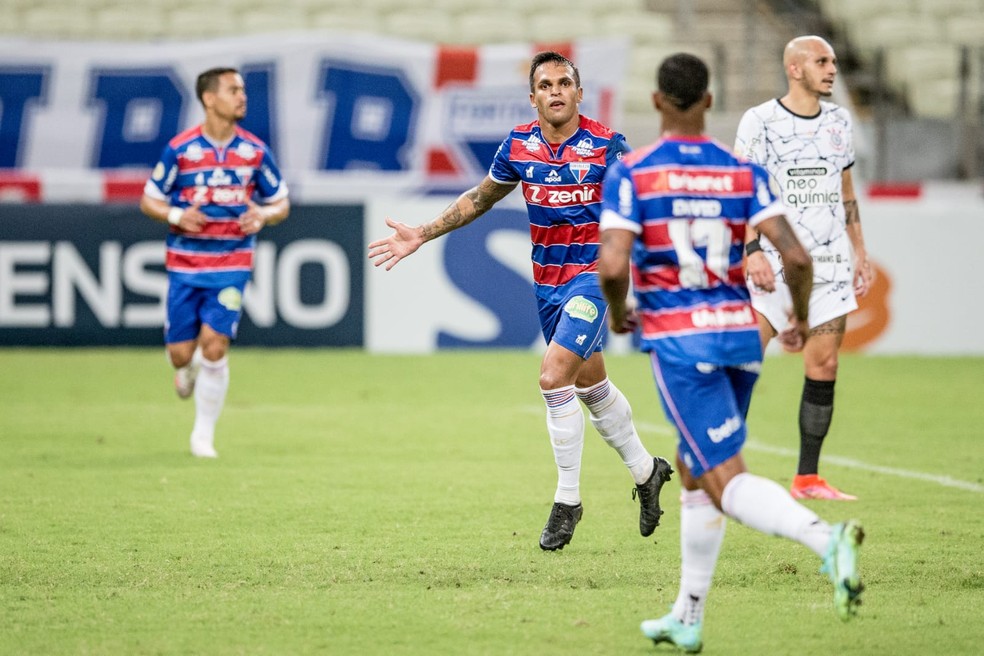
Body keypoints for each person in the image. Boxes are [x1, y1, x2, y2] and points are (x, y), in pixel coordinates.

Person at [597, 53, 864, 652]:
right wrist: (795, 316)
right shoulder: (741, 172)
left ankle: (828, 540)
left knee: (724, 477)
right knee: (693, 469)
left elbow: (612, 264)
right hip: (741, 338)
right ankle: (687, 617)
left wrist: (619, 317)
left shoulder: (635, 171)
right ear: (710, 102)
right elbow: (795, 258)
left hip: (680, 340)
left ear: (658, 102)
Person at [368, 51, 673, 551]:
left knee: (553, 377)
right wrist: (422, 233)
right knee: (591, 386)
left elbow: (640, 211)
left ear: (579, 92)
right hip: (548, 284)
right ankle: (647, 470)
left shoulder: (607, 147)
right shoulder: (519, 146)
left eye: (564, 83)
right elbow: (480, 198)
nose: (555, 91)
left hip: (593, 278)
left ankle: (568, 501)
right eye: (546, 85)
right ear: (532, 97)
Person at [734, 35, 873, 501]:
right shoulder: (760, 121)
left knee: (825, 364)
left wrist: (860, 250)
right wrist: (750, 248)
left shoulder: (839, 120)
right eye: (822, 61)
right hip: (773, 262)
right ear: (795, 68)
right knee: (742, 360)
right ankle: (717, 469)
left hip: (830, 264)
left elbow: (846, 189)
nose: (832, 68)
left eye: (833, 60)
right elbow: (743, 190)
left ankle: (808, 478)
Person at [140, 67, 289, 458]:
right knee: (181, 354)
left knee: (215, 346)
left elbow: (281, 201)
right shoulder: (181, 149)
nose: (242, 97)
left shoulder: (255, 151)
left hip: (232, 265)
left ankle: (202, 436)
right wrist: (176, 215)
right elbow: (149, 199)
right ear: (209, 98)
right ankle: (184, 370)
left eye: (243, 90)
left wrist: (263, 215)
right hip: (186, 267)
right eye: (233, 90)